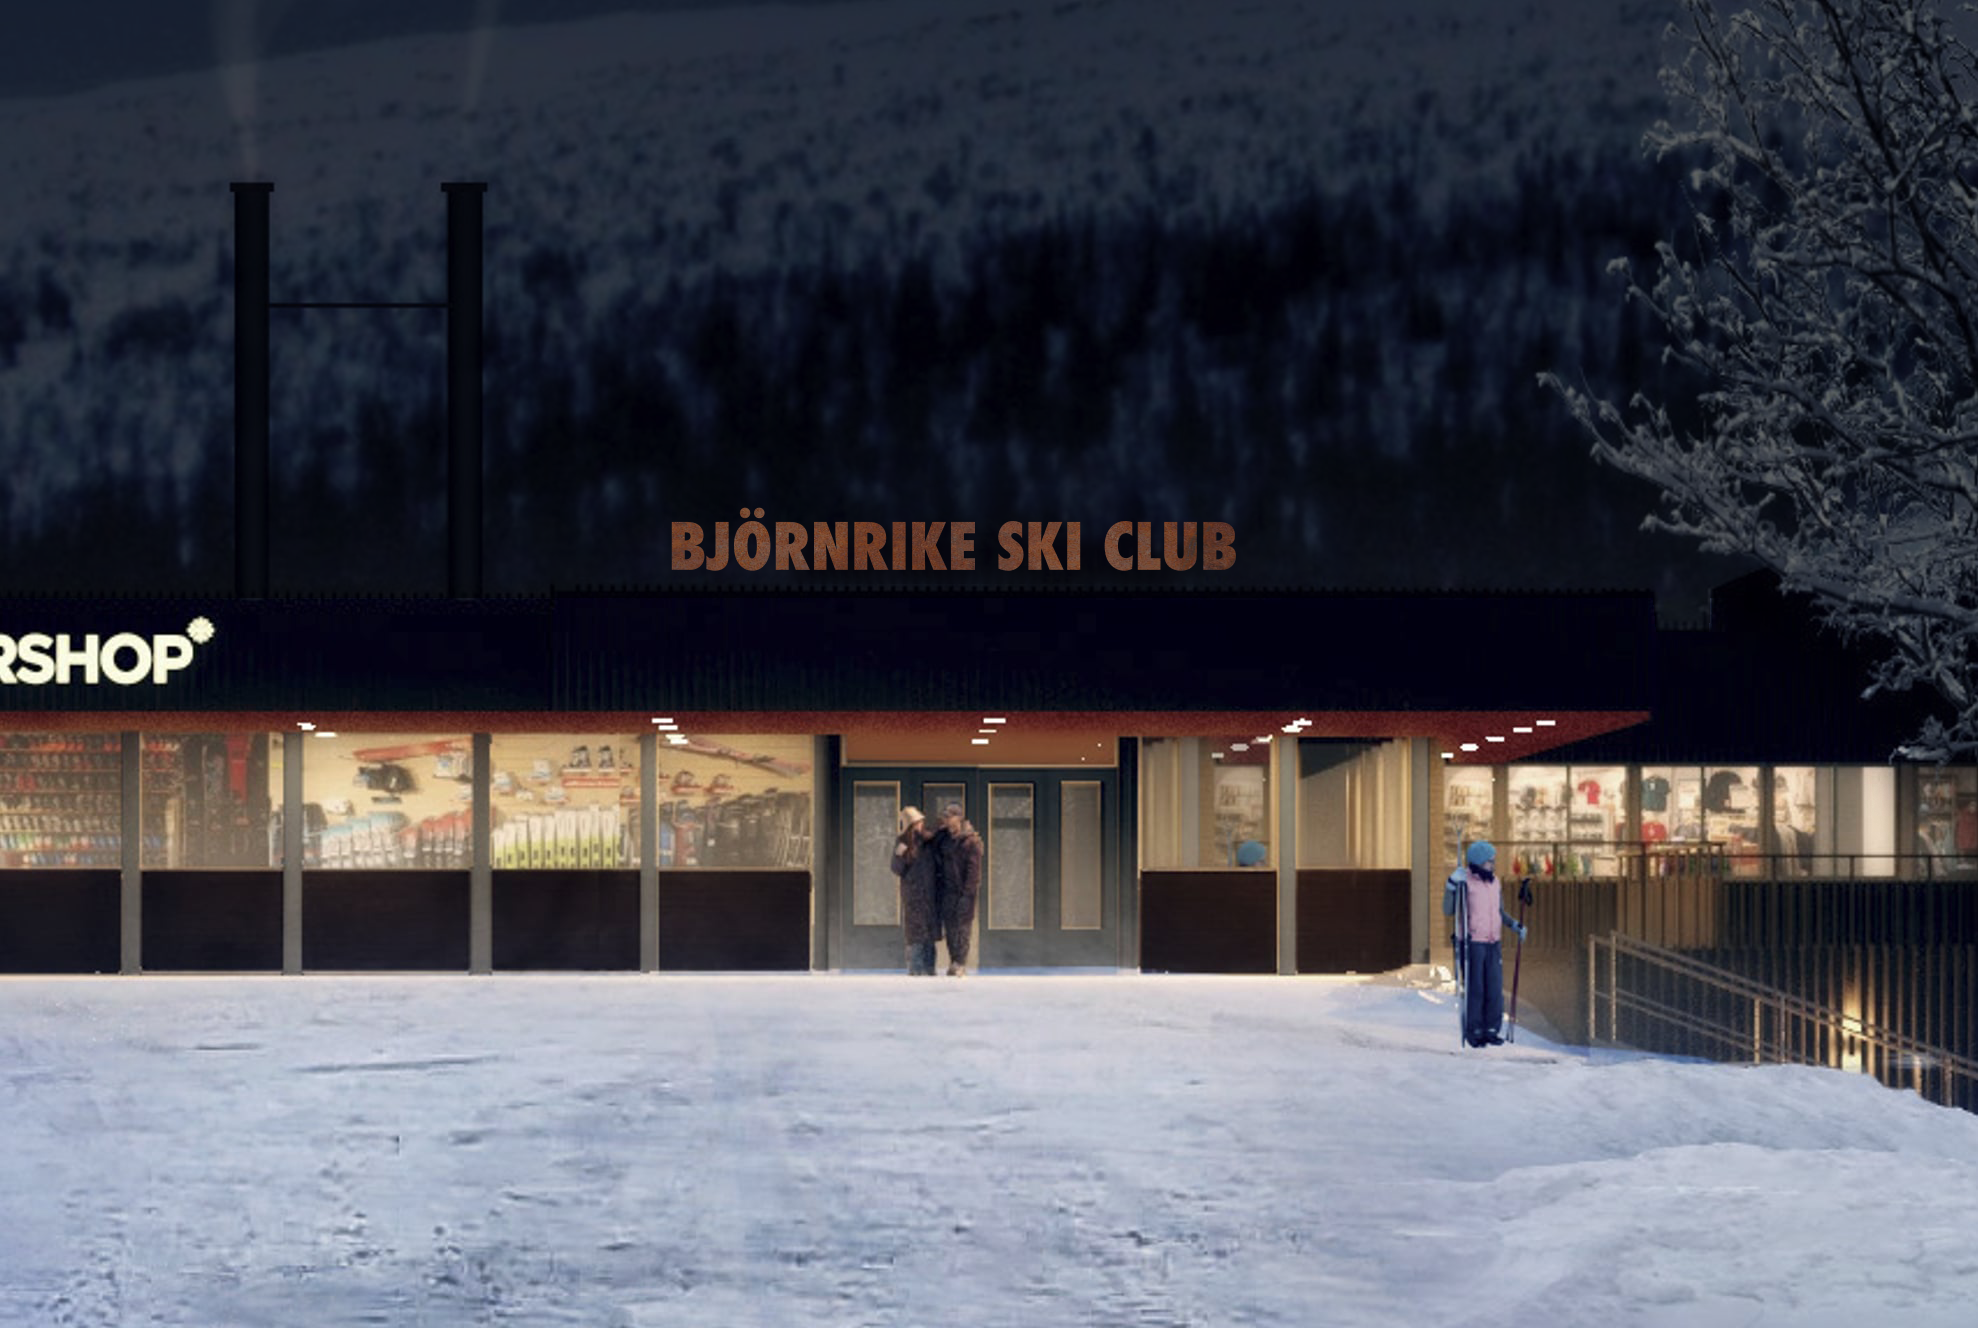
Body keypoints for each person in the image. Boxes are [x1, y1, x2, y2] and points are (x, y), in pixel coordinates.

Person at [1443, 840, 1528, 1047]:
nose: (1494, 864)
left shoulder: (1494, 882)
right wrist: (1451, 886)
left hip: (1493, 943)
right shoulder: (1465, 882)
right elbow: (1448, 910)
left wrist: (1514, 925)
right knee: (1476, 989)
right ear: (1479, 862)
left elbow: (1498, 912)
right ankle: (1475, 1030)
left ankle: (1491, 1029)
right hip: (1472, 943)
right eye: (1490, 861)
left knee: (1494, 988)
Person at [930, 801, 983, 976]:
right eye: (944, 817)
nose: (946, 820)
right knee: (951, 929)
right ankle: (954, 961)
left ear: (958, 818)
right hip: (946, 891)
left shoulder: (971, 842)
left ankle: (960, 963)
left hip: (963, 892)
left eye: (949, 816)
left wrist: (967, 894)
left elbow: (973, 872)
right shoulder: (942, 838)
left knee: (963, 929)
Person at [888, 806, 940, 975]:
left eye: (921, 821)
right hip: (913, 895)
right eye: (918, 822)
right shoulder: (903, 842)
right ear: (911, 824)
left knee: (930, 934)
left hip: (930, 894)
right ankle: (916, 970)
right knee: (916, 934)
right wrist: (900, 855)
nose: (921, 824)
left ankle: (930, 969)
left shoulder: (928, 841)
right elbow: (896, 869)